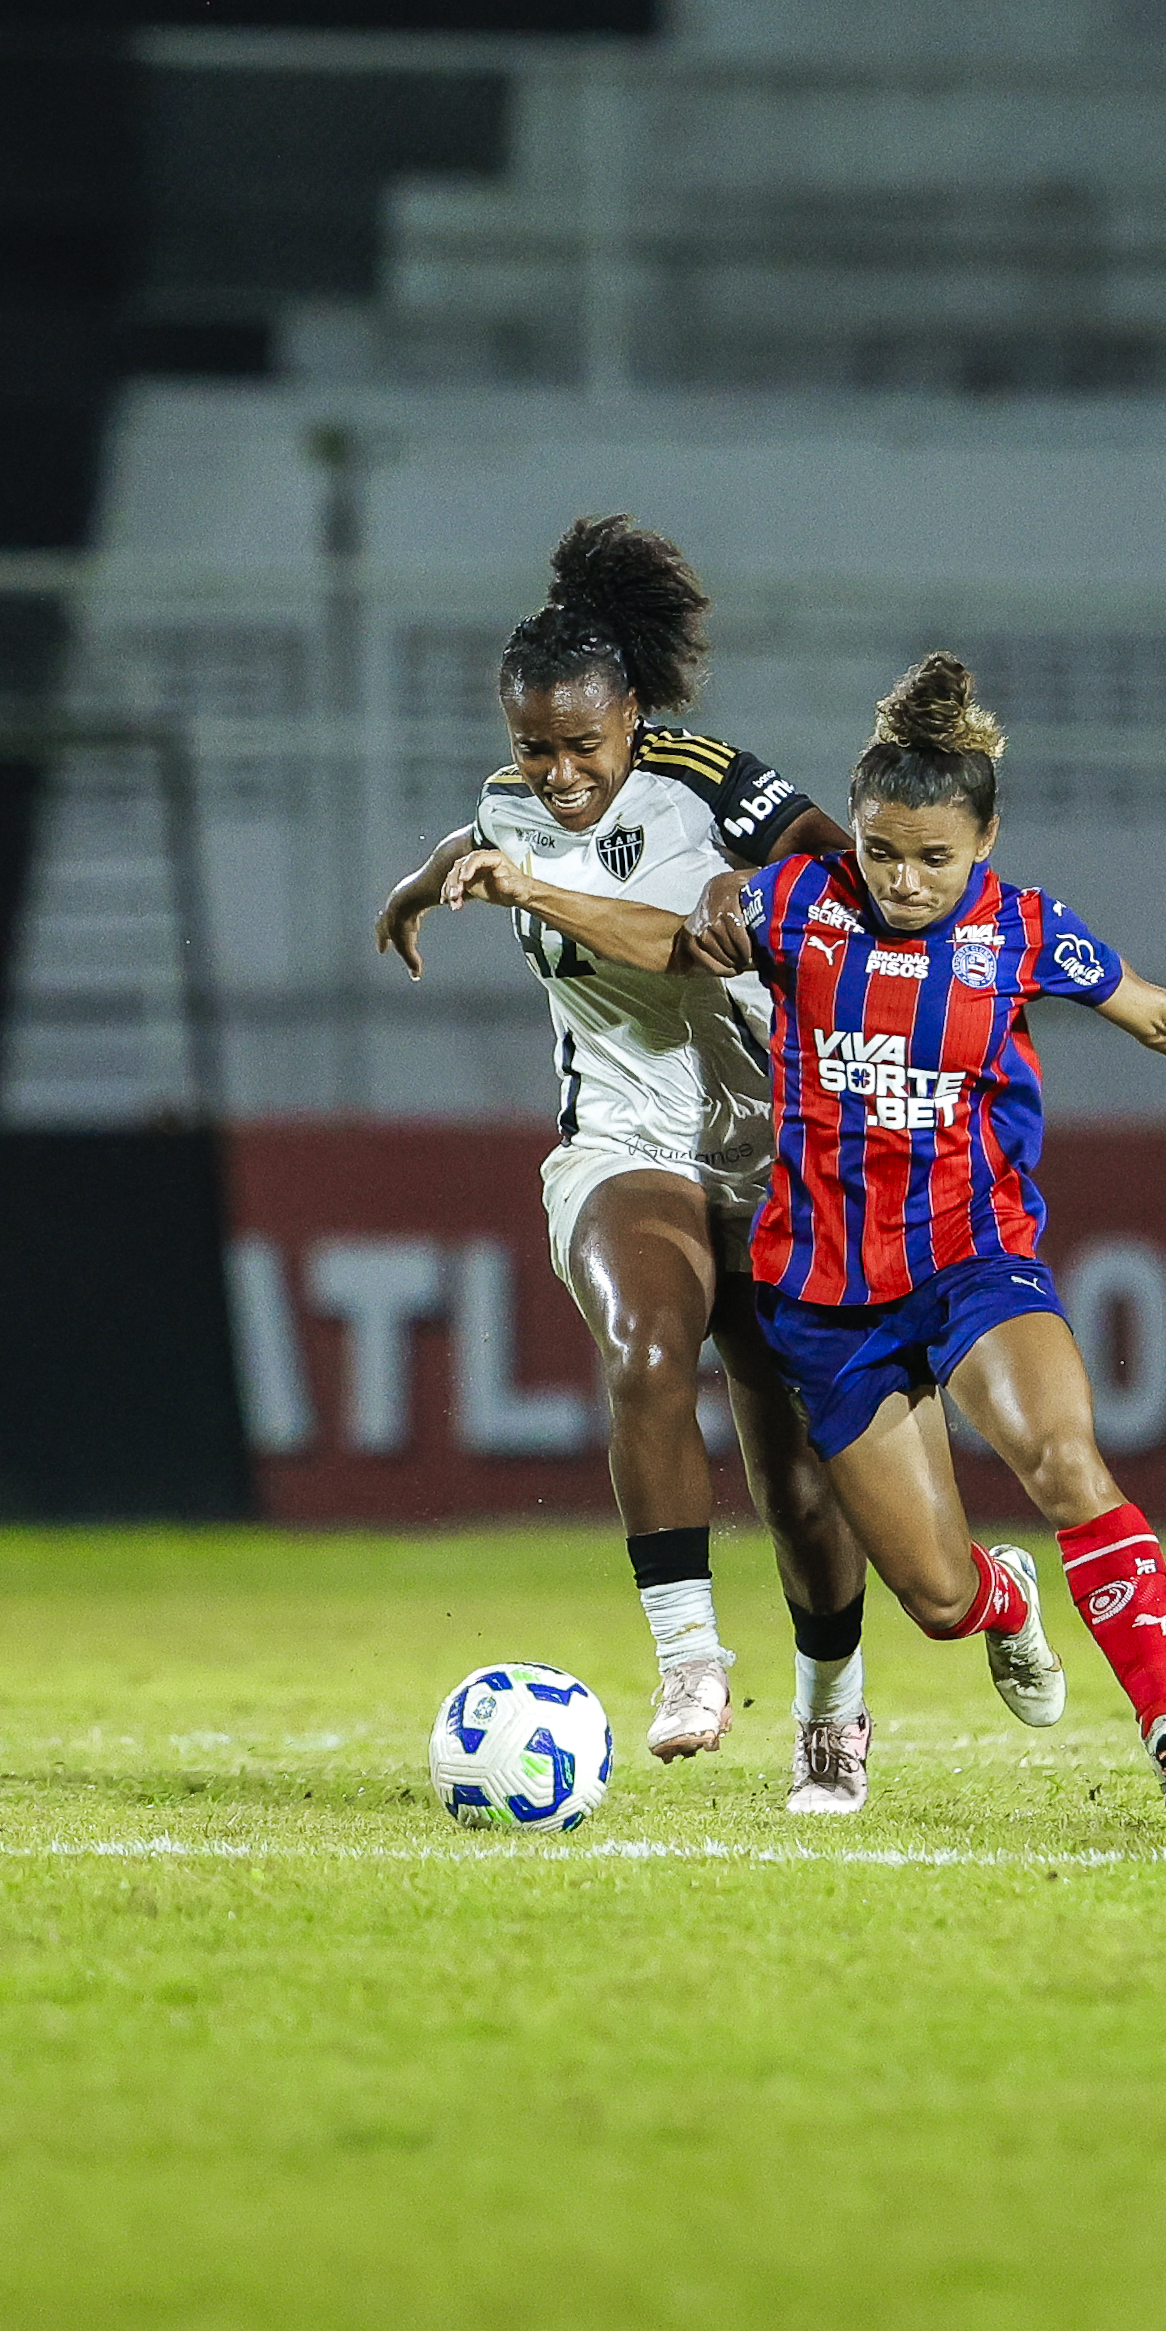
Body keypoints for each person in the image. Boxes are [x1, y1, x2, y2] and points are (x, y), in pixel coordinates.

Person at [455, 653, 1166, 1819]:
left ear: (983, 843)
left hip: (971, 1260)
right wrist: (529, 891)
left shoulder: (1020, 930)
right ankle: (1003, 1597)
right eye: (881, 850)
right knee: (936, 1601)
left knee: (1060, 1456)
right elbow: (665, 942)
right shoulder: (794, 904)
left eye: (933, 858)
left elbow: (1153, 1014)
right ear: (855, 831)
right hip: (825, 1298)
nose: (902, 879)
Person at [375, 514, 872, 1813]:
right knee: (648, 1350)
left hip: (768, 1143)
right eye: (531, 746)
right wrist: (415, 891)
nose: (556, 775)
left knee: (792, 1470)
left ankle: (832, 1706)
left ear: (632, 717)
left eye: (579, 746)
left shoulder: (708, 782)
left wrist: (755, 903)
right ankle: (690, 1660)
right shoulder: (506, 807)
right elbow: (472, 845)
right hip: (618, 1139)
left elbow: (845, 871)